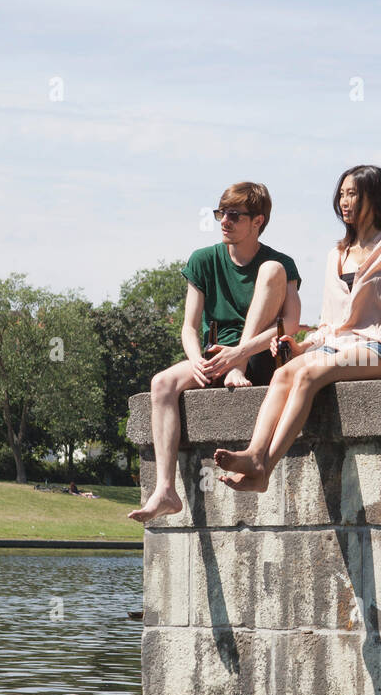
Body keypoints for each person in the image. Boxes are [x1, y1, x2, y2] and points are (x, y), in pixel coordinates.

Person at [214, 165, 381, 494]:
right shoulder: (336, 253)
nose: (344, 202)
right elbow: (329, 323)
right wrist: (301, 348)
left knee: (309, 377)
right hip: (336, 344)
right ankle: (255, 454)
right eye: (341, 195)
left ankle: (264, 466)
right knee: (284, 374)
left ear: (374, 197)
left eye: (352, 194)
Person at [128, 181, 301, 523]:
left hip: (262, 355)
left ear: (258, 221)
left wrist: (238, 355)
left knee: (272, 271)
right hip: (217, 358)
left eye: (234, 215)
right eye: (221, 213)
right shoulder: (203, 260)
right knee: (161, 384)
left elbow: (290, 325)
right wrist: (195, 360)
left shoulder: (280, 263)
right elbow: (189, 327)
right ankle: (165, 491)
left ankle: (235, 362)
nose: (224, 220)